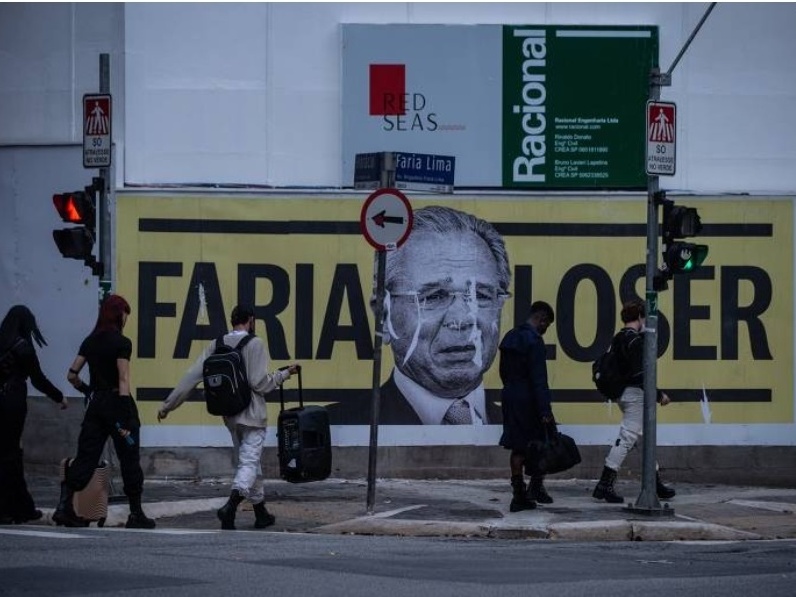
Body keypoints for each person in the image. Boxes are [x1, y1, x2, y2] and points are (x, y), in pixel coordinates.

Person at [327, 205, 511, 425]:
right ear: (383, 317)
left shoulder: (536, 435)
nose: (462, 319)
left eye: (480, 295)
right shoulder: (338, 428)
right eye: (434, 297)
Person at [157, 305, 299, 531]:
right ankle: (230, 507)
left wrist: (168, 406)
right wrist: (284, 374)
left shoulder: (217, 344)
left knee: (250, 463)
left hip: (231, 415)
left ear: (232, 321)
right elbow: (259, 383)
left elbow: (192, 376)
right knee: (249, 462)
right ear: (251, 320)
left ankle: (261, 513)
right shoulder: (255, 343)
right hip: (252, 415)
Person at [53, 294, 156, 529]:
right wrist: (126, 417)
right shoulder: (122, 343)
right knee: (129, 457)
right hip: (117, 407)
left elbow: (72, 375)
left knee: (86, 456)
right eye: (126, 314)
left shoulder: (90, 342)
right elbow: (123, 380)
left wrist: (88, 390)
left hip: (96, 405)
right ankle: (136, 513)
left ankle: (64, 507)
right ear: (119, 314)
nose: (127, 318)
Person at [592, 299, 676, 503]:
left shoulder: (619, 337)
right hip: (635, 394)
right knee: (628, 437)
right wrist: (659, 395)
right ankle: (604, 484)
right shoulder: (635, 341)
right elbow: (642, 375)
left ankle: (654, 483)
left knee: (643, 437)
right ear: (640, 317)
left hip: (622, 393)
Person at [0, 305, 67, 524]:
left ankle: (18, 507)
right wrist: (59, 397)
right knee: (11, 455)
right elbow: (38, 379)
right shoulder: (23, 347)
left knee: (7, 454)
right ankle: (17, 509)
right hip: (12, 402)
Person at [498, 301, 557, 511]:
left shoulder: (510, 337)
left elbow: (503, 372)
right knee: (540, 443)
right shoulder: (534, 342)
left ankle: (518, 493)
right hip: (529, 399)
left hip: (510, 395)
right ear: (541, 319)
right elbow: (539, 379)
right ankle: (535, 487)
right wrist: (545, 411)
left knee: (517, 446)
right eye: (546, 324)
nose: (545, 329)